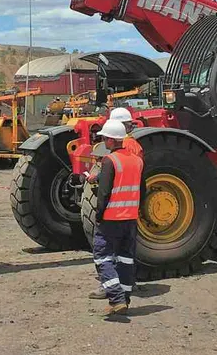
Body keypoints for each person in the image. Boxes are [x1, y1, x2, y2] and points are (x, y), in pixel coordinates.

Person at [88, 120, 144, 316]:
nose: (103, 140)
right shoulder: (137, 160)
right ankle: (124, 300)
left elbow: (104, 192)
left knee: (103, 257)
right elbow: (142, 189)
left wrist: (98, 215)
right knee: (126, 259)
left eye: (104, 138)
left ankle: (116, 298)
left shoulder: (110, 161)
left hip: (111, 219)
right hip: (130, 219)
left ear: (111, 139)